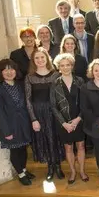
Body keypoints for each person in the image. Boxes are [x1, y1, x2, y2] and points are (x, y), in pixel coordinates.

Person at [0, 59, 34, 186]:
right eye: (5, 69)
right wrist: (7, 131)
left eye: (11, 69)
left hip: (24, 123)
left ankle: (24, 169)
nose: (9, 72)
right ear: (1, 72)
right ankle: (20, 174)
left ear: (16, 71)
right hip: (11, 126)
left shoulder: (20, 85)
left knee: (23, 148)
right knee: (15, 151)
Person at [25, 48, 64, 181]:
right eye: (37, 58)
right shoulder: (30, 77)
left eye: (42, 57)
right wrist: (33, 119)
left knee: (55, 138)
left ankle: (58, 165)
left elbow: (60, 96)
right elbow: (28, 99)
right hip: (38, 113)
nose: (40, 60)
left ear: (47, 58)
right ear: (33, 61)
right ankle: (50, 166)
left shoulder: (56, 74)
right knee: (45, 139)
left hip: (54, 112)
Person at [50, 53, 88, 184]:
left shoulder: (80, 81)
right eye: (62, 65)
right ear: (58, 67)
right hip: (64, 122)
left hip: (79, 119)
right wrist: (64, 123)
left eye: (68, 65)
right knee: (68, 148)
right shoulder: (54, 83)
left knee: (81, 146)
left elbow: (86, 103)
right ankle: (72, 171)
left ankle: (82, 171)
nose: (65, 67)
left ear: (72, 66)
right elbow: (53, 106)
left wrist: (79, 118)